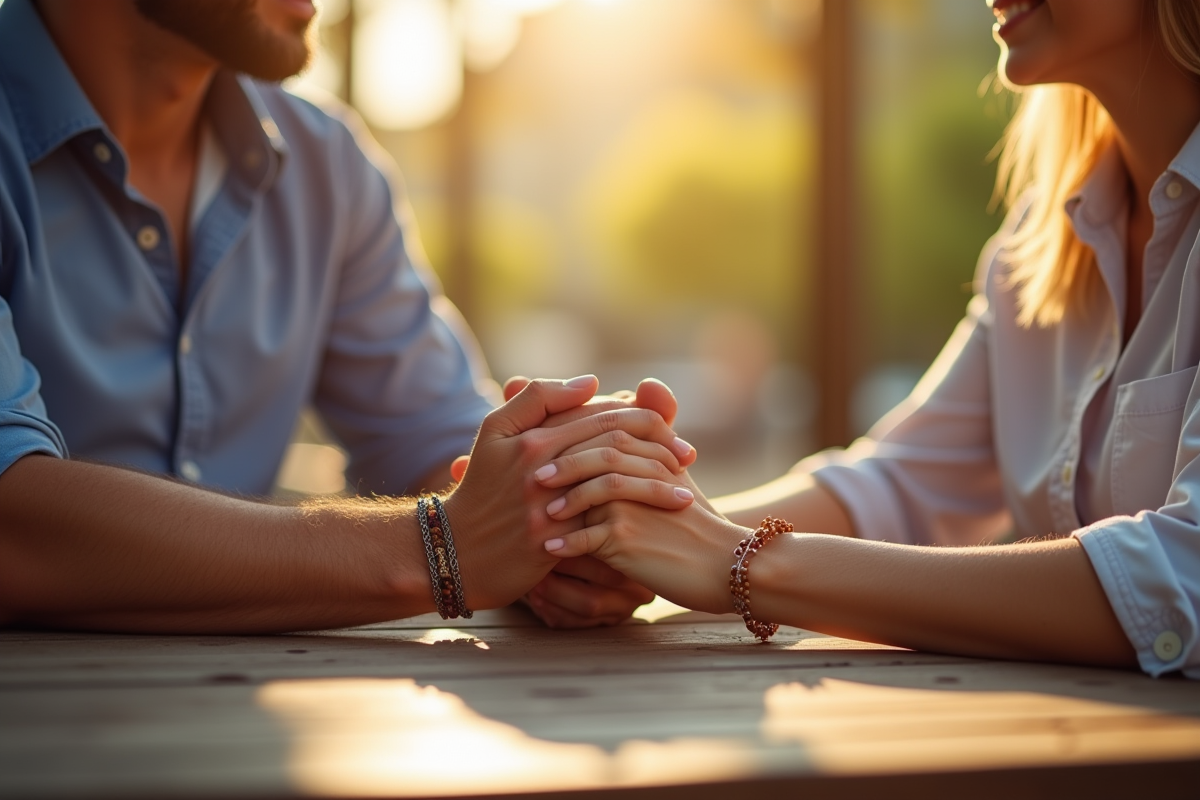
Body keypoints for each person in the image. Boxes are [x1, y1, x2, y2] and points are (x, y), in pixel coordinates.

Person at [534, 0, 1200, 679]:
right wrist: (612, 527)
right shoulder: (1042, 238)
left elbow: (1182, 573)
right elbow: (906, 482)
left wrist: (733, 560)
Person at [0, 0, 696, 633]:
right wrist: (443, 547)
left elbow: (437, 442)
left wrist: (563, 521)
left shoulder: (325, 163)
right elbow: (12, 525)